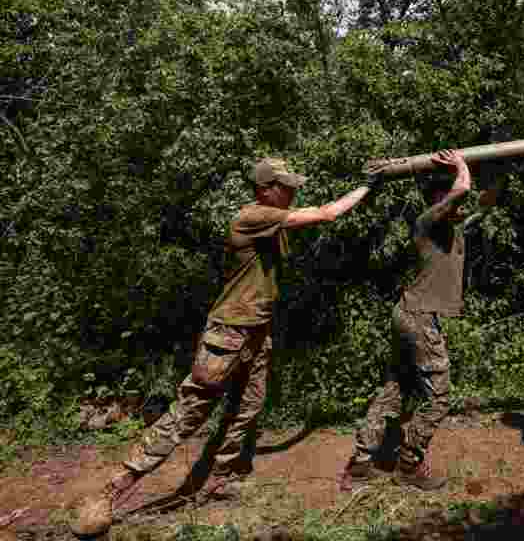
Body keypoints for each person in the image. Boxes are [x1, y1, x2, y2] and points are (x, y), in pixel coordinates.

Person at [71, 158, 381, 537]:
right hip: (228, 334)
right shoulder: (252, 217)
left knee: (249, 406)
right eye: (286, 185)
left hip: (254, 331)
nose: (292, 190)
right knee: (188, 413)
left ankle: (221, 478)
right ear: (266, 189)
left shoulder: (273, 218)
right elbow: (326, 214)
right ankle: (113, 491)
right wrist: (369, 186)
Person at [339, 148, 503, 491]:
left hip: (410, 315)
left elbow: (484, 202)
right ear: (438, 203)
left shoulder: (455, 231)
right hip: (418, 318)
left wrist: (501, 166)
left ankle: (359, 465)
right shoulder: (427, 224)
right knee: (438, 398)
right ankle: (408, 466)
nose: (458, 209)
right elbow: (462, 192)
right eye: (450, 204)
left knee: (394, 390)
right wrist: (460, 165)